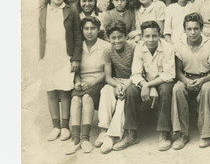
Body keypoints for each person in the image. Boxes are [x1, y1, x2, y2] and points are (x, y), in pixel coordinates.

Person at [113, 20, 176, 151]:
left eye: (154, 36)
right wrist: (146, 85)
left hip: (162, 82)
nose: (151, 39)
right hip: (145, 81)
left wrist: (149, 85)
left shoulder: (168, 47)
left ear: (160, 35)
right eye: (147, 36)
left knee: (165, 91)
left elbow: (169, 74)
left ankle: (165, 133)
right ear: (142, 37)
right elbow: (135, 73)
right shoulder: (139, 48)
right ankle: (131, 133)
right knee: (131, 90)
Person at [39, 0, 82, 142]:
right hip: (48, 56)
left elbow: (78, 37)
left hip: (65, 56)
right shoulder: (42, 11)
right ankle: (55, 126)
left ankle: (65, 127)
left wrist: (76, 59)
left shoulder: (71, 11)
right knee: (51, 90)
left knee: (65, 91)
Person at [172, 13, 210, 149]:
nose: (193, 32)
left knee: (208, 89)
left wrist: (203, 80)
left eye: (196, 29)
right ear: (184, 30)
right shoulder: (179, 45)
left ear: (201, 29)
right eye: (189, 29)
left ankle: (206, 134)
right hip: (187, 77)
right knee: (177, 89)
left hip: (206, 78)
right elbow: (178, 71)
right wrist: (186, 80)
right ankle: (183, 134)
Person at [66, 17, 111, 154]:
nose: (90, 32)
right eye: (86, 28)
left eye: (93, 28)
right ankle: (75, 139)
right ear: (82, 30)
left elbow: (107, 72)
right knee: (75, 99)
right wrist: (78, 82)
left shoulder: (106, 46)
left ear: (98, 30)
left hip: (98, 82)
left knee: (86, 98)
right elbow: (76, 70)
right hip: (82, 82)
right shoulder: (78, 47)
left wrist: (92, 82)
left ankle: (85, 139)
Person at [95, 22, 136, 154]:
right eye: (113, 38)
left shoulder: (134, 47)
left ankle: (112, 136)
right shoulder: (107, 50)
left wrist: (124, 86)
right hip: (117, 81)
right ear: (108, 38)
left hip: (133, 80)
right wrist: (118, 85)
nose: (117, 41)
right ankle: (104, 130)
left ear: (125, 37)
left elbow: (138, 72)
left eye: (120, 37)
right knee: (106, 90)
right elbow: (108, 77)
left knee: (123, 97)